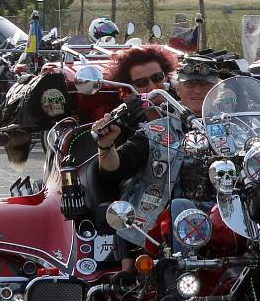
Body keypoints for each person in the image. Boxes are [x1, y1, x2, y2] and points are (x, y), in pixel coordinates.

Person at [92, 55, 220, 280]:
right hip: (164, 231)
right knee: (180, 207)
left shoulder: (236, 131)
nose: (198, 90)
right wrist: (106, 144)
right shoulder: (156, 131)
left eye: (205, 84)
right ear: (178, 89)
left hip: (223, 219)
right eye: (191, 84)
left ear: (217, 90)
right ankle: (174, 280)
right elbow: (115, 168)